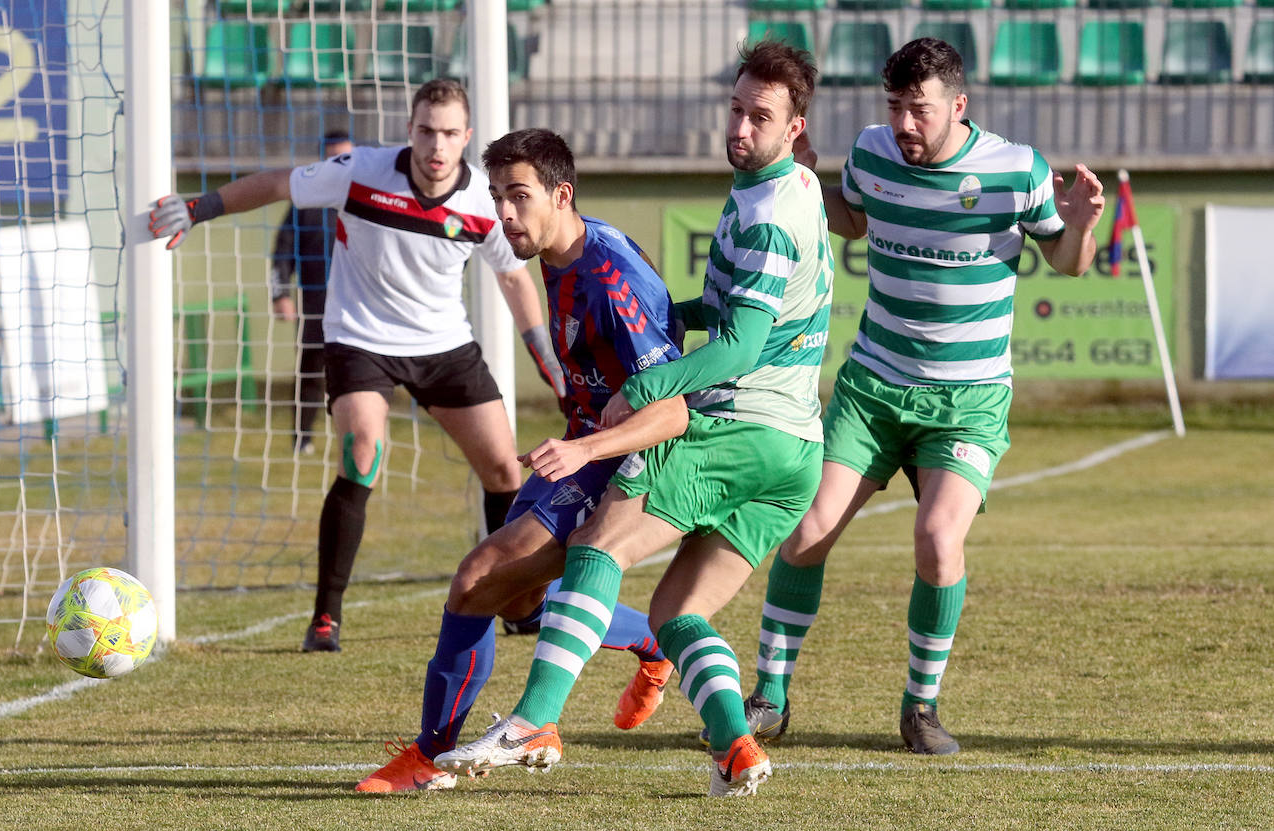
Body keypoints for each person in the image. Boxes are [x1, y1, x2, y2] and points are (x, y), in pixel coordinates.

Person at [433, 40, 835, 798]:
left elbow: (742, 346)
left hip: (741, 429)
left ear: (795, 128)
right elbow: (735, 312)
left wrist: (650, 385)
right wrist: (667, 311)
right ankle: (737, 748)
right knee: (679, 614)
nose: (743, 128)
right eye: (738, 109)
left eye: (763, 117)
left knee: (594, 545)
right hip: (796, 454)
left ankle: (533, 720)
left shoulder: (768, 213)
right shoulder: (799, 189)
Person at [729, 37, 1106, 755]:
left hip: (967, 399)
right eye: (895, 106)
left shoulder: (1015, 169)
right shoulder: (872, 152)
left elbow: (1066, 261)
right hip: (873, 388)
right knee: (805, 532)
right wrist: (812, 182)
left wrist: (1082, 227)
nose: (905, 124)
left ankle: (920, 706)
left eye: (920, 110)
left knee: (938, 540)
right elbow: (854, 217)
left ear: (958, 106)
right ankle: (770, 693)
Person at [148, 79, 568, 653]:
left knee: (503, 469)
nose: (437, 146)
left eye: (449, 133)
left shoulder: (481, 203)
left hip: (444, 345)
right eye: (426, 131)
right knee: (361, 452)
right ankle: (326, 617)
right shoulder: (359, 171)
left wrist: (541, 349)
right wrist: (198, 208)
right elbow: (276, 184)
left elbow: (514, 276)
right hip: (358, 338)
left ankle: (514, 605)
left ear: (466, 137)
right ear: (409, 131)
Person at [355, 127, 688, 794]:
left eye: (520, 197)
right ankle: (652, 642)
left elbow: (675, 406)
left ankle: (430, 755)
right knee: (523, 596)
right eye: (498, 197)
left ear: (561, 196)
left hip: (639, 456)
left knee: (479, 575)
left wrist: (590, 447)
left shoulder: (610, 279)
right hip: (588, 442)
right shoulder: (560, 249)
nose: (504, 214)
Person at [270, 130, 353, 455]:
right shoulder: (305, 202)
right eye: (332, 157)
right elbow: (282, 251)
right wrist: (280, 295)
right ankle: (302, 438)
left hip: (360, 304)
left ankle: (360, 435)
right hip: (316, 304)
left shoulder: (366, 198)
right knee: (310, 370)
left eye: (344, 157)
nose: (338, 163)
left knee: (359, 371)